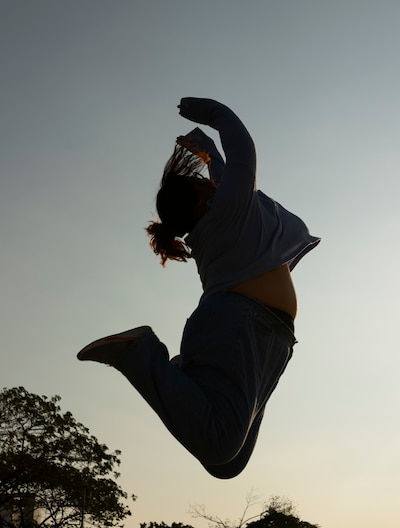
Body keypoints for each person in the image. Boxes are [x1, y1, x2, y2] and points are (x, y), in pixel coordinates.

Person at [77, 98, 320, 479]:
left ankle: (179, 372)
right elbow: (241, 153)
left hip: (263, 334)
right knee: (222, 450)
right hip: (242, 325)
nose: (213, 183)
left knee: (225, 460)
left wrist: (206, 152)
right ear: (203, 201)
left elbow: (225, 172)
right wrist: (214, 114)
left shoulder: (219, 218)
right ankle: (137, 352)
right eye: (205, 185)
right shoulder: (226, 212)